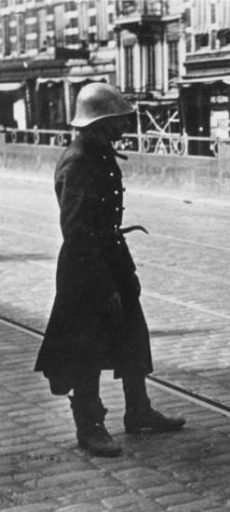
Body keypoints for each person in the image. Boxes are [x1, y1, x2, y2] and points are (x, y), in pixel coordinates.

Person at [35, 83, 185, 457]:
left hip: (111, 258)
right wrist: (104, 285)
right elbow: (77, 231)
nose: (123, 129)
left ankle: (138, 411)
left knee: (133, 335)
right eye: (117, 122)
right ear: (99, 124)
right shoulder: (78, 161)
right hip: (86, 269)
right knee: (87, 349)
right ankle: (90, 426)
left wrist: (120, 273)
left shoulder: (99, 154)